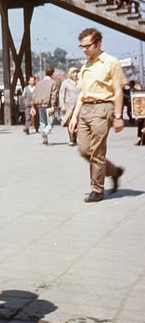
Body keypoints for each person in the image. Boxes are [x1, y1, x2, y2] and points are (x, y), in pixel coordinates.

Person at [69, 28, 126, 203]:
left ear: (98, 43)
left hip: (103, 108)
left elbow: (118, 90)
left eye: (88, 46)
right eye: (82, 46)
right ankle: (114, 172)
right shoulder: (86, 66)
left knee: (97, 151)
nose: (85, 49)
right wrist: (74, 116)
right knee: (84, 150)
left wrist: (118, 116)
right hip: (86, 108)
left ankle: (97, 189)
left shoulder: (111, 62)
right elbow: (82, 93)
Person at [32, 67, 58, 145]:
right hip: (48, 104)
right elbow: (53, 95)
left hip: (40, 104)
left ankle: (44, 139)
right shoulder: (53, 83)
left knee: (42, 121)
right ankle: (45, 132)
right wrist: (53, 105)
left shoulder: (38, 83)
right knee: (51, 121)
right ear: (52, 73)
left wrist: (33, 105)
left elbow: (34, 94)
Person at [59, 67, 80, 145]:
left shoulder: (80, 82)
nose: (75, 74)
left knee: (78, 122)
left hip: (78, 105)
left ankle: (75, 137)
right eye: (73, 73)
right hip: (69, 106)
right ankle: (71, 138)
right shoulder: (65, 83)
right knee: (69, 122)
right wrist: (62, 105)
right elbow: (61, 94)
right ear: (70, 74)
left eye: (76, 72)